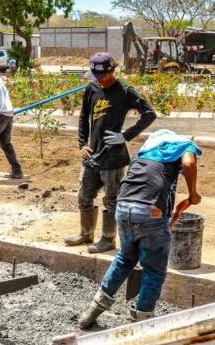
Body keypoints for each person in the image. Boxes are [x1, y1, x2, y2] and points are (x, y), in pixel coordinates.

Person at [77, 130, 202, 327]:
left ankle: (93, 310)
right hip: (149, 213)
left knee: (124, 259)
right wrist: (193, 193)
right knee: (154, 270)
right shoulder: (184, 145)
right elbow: (188, 163)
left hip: (123, 207)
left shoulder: (145, 150)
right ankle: (141, 322)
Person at [66, 52, 157, 254]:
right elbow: (83, 118)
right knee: (84, 195)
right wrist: (82, 144)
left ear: (112, 71)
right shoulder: (92, 88)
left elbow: (150, 114)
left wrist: (125, 136)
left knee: (112, 199)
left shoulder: (125, 91)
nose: (99, 80)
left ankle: (108, 239)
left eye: (102, 76)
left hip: (113, 157)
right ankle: (86, 233)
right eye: (95, 76)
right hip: (92, 154)